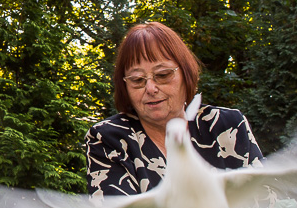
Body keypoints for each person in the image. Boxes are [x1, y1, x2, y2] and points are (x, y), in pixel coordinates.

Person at [84, 21, 263, 198]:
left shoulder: (227, 125)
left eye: (162, 75)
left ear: (186, 73)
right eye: (137, 79)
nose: (150, 88)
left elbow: (269, 205)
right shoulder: (109, 139)